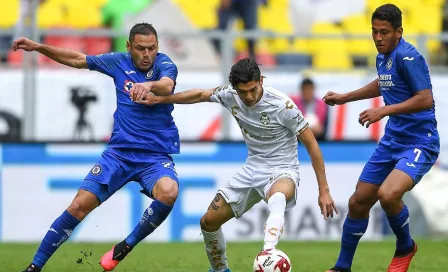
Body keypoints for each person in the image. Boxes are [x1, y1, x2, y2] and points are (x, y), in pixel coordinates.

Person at [136, 58, 338, 272]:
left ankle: (268, 252)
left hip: (282, 169)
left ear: (261, 80)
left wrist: (323, 190)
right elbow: (199, 95)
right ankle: (220, 270)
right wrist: (160, 100)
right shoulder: (229, 94)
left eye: (253, 89)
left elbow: (312, 145)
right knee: (208, 222)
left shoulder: (282, 105)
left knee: (277, 197)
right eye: (243, 92)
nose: (249, 96)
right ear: (234, 88)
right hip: (251, 170)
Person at [13, 23, 181, 272]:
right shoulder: (118, 62)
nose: (147, 55)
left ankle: (126, 245)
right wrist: (38, 47)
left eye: (152, 48)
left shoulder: (164, 64)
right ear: (128, 47)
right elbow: (78, 59)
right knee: (78, 206)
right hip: (119, 154)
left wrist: (148, 85)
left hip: (154, 157)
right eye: (140, 49)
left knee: (169, 192)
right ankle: (35, 267)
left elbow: (167, 85)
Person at [322, 4, 440, 272]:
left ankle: (405, 246)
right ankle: (342, 267)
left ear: (399, 32)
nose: (377, 38)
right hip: (392, 141)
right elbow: (383, 82)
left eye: (384, 32)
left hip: (420, 142)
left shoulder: (409, 57)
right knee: (358, 201)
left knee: (388, 194)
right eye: (374, 32)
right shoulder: (383, 56)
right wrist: (345, 98)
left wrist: (383, 110)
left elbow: (425, 98)